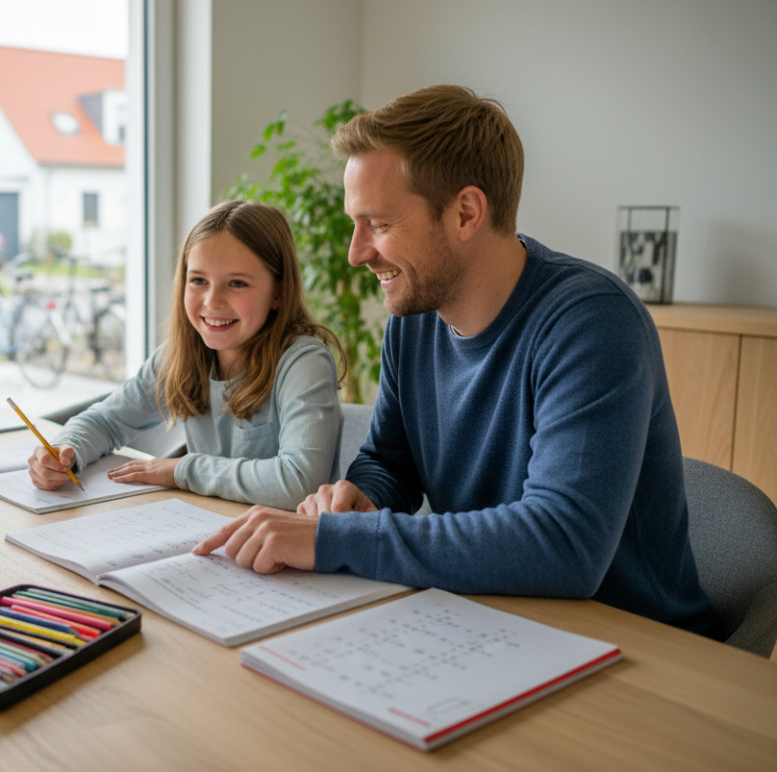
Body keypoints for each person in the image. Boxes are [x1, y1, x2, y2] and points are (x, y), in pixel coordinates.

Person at [194, 85, 713, 633]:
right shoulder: (413, 317)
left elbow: (564, 545)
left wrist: (337, 539)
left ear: (466, 213)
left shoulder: (591, 323)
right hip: (490, 620)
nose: (356, 252)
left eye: (380, 224)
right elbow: (389, 460)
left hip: (632, 646)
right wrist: (360, 496)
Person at [28, 199, 347, 510]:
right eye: (198, 280)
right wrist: (65, 449)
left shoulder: (303, 362)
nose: (212, 300)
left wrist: (181, 470)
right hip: (207, 527)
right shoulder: (180, 356)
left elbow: (300, 482)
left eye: (237, 283)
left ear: (278, 292)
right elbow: (108, 419)